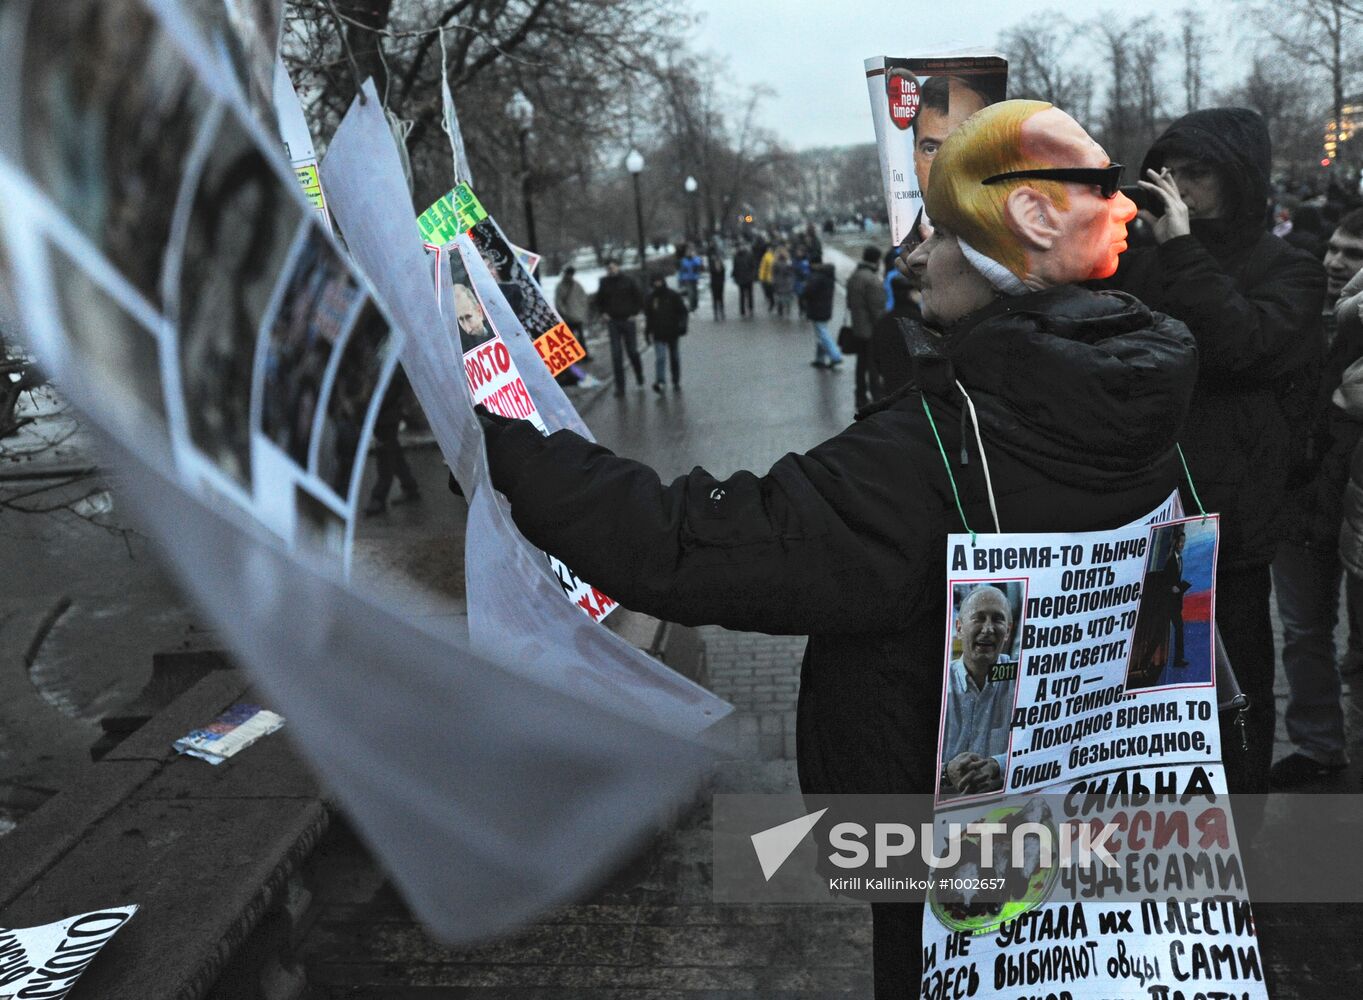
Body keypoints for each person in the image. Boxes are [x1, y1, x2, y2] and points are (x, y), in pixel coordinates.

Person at [469, 100, 1195, 997]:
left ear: (1011, 235)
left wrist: (502, 428)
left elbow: (683, 544)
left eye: (932, 233)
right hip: (1112, 808)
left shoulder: (932, 449)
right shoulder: (1142, 392)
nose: (911, 256)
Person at [1101, 107, 1327, 800]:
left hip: (1230, 519)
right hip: (1142, 507)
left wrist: (1178, 247)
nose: (1179, 190)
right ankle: (1161, 817)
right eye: (1168, 175)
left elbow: (1243, 345)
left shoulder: (1288, 269)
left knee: (1233, 690)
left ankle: (1242, 830)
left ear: (1238, 179)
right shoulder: (1139, 260)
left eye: (1196, 174)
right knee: (1145, 684)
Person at [1271, 208, 1363, 786]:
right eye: (1333, 249)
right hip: (1301, 504)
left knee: (1358, 648)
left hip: (1351, 511)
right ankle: (1320, 745)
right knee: (1304, 632)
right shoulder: (1297, 307)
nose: (1333, 262)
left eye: (1352, 255)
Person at [941, 585, 1016, 795]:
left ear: (1008, 631)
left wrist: (997, 766)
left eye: (997, 619)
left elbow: (1041, 752)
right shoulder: (938, 684)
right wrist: (946, 773)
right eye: (979, 618)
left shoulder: (1025, 683)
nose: (988, 629)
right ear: (959, 627)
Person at [364, 371, 421, 517]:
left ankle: (379, 497)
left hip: (385, 416)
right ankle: (409, 486)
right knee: (393, 452)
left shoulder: (390, 364)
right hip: (386, 415)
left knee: (385, 456)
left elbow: (390, 392)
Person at [594, 260, 645, 397]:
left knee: (632, 351)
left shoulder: (628, 280)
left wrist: (634, 313)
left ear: (618, 267)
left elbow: (639, 298)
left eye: (613, 267)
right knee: (616, 355)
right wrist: (603, 313)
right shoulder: (604, 283)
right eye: (608, 268)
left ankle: (639, 375)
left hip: (628, 320)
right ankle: (620, 388)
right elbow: (599, 301)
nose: (611, 270)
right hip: (613, 322)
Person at [871, 272, 923, 399]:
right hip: (916, 389)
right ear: (910, 294)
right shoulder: (919, 321)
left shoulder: (884, 321)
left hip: (890, 385)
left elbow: (874, 358)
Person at [846, 246, 887, 408]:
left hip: (858, 328)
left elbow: (849, 303)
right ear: (876, 260)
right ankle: (877, 398)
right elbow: (877, 309)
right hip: (871, 330)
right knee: (873, 365)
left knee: (861, 364)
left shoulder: (854, 275)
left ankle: (860, 396)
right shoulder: (871, 279)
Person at [644, 274, 687, 393]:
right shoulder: (651, 298)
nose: (657, 284)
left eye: (659, 281)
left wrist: (682, 326)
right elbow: (649, 317)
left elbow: (683, 311)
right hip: (658, 333)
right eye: (655, 282)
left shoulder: (673, 295)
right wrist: (647, 333)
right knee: (660, 358)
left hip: (673, 331)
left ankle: (675, 380)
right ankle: (660, 381)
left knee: (674, 358)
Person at [800, 261, 842, 370]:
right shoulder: (829, 277)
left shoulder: (817, 277)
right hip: (825, 309)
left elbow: (807, 291)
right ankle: (820, 358)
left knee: (822, 333)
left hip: (816, 309)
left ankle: (835, 355)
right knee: (820, 333)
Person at [452, 283, 494, 354]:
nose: (468, 329)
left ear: (479, 312)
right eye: (461, 319)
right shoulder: (460, 345)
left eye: (468, 317)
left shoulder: (497, 325)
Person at [553, 265, 590, 344]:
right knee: (572, 340)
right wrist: (566, 313)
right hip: (569, 318)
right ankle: (582, 355)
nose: (570, 276)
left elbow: (583, 299)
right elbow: (558, 303)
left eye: (571, 274)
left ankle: (584, 355)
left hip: (575, 317)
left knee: (580, 339)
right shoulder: (561, 286)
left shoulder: (576, 285)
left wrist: (581, 312)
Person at [732, 242, 757, 318]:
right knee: (743, 295)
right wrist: (735, 277)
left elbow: (753, 266)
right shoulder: (737, 256)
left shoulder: (748, 255)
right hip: (742, 278)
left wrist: (752, 276)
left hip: (748, 278)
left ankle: (750, 309)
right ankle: (743, 311)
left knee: (748, 295)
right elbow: (735, 268)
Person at [677, 244, 704, 313]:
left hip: (694, 278)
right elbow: (681, 270)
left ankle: (695, 304)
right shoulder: (684, 260)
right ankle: (692, 306)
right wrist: (680, 279)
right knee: (690, 293)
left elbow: (698, 265)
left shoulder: (696, 259)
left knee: (695, 292)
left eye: (690, 252)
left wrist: (693, 258)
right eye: (687, 252)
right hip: (687, 279)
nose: (689, 253)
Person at [771, 248, 795, 319]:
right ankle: (786, 309)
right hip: (786, 282)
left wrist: (774, 280)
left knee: (780, 296)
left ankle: (781, 311)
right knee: (786, 297)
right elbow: (791, 273)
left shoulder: (775, 263)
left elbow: (773, 273)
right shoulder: (788, 262)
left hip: (780, 282)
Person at [707, 249, 726, 321]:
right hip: (714, 284)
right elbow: (712, 272)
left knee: (720, 299)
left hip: (720, 284)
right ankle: (716, 314)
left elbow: (723, 273)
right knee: (715, 299)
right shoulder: (712, 264)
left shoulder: (721, 265)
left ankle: (722, 312)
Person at [757, 243, 776, 313]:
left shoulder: (768, 256)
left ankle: (773, 303)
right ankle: (773, 303)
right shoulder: (767, 256)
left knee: (771, 293)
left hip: (770, 278)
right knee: (770, 293)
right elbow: (763, 267)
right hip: (769, 278)